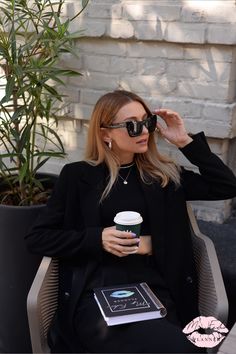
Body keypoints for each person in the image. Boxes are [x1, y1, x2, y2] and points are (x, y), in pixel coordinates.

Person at [25, 90, 236, 353]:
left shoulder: (163, 175)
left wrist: (185, 141)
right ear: (105, 133)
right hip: (98, 292)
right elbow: (38, 237)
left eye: (147, 122)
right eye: (132, 126)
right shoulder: (78, 177)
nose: (144, 131)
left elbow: (226, 186)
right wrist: (97, 238)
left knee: (181, 347)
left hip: (156, 288)